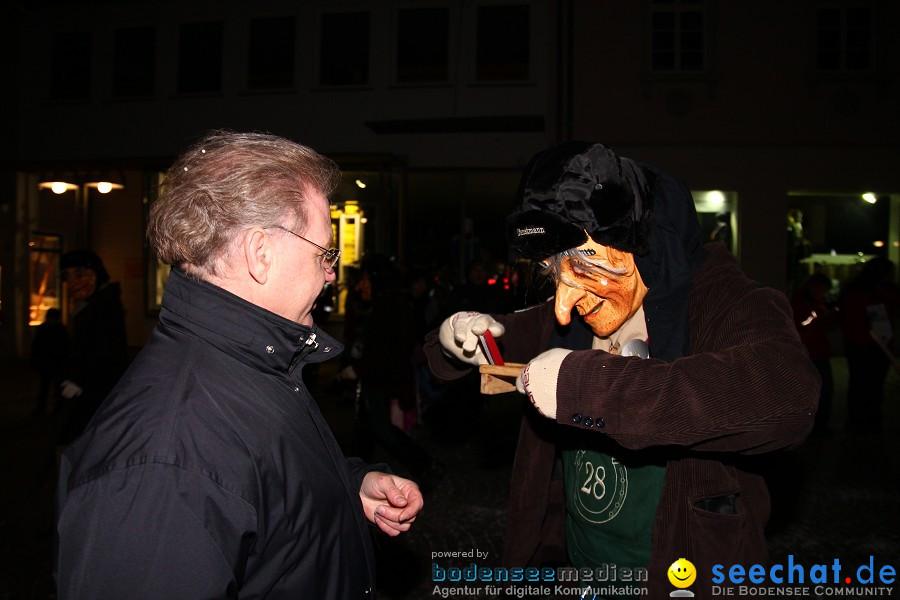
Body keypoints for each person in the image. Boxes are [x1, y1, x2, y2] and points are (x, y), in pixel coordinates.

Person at [425, 142, 819, 599]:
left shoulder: (727, 303)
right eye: (554, 275)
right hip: (579, 573)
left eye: (587, 269)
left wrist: (590, 388)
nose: (565, 304)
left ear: (641, 244)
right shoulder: (565, 317)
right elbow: (462, 350)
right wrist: (456, 339)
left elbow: (789, 396)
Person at [55, 131, 424, 599]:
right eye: (324, 253)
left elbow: (260, 483)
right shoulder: (163, 459)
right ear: (259, 253)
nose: (331, 273)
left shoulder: (256, 361)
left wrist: (349, 487)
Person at [57, 249, 129, 443]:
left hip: (95, 395)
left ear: (95, 274)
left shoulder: (103, 306)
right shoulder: (90, 305)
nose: (73, 282)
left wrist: (79, 379)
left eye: (80, 274)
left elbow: (106, 350)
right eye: (67, 277)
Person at [839, 257, 898, 434]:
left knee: (861, 384)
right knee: (870, 385)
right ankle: (867, 421)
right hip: (872, 344)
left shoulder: (856, 289)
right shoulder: (876, 292)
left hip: (861, 343)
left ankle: (860, 420)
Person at [791, 272, 839, 434]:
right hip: (809, 353)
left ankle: (818, 425)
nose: (823, 294)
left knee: (822, 390)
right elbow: (803, 324)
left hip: (817, 351)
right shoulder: (803, 304)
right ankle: (813, 427)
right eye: (822, 290)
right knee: (818, 390)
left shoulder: (814, 303)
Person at [29, 307, 68, 416]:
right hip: (48, 363)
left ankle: (56, 408)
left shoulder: (57, 330)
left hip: (55, 363)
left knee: (54, 387)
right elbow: (36, 347)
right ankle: (43, 408)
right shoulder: (48, 329)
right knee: (44, 387)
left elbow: (64, 348)